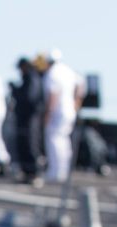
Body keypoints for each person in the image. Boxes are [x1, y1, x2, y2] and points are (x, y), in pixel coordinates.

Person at [42, 48, 84, 182]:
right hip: (69, 110)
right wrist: (76, 103)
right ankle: (64, 170)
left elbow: (53, 95)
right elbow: (81, 85)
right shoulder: (68, 71)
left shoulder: (52, 73)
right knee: (64, 140)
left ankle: (56, 172)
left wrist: (48, 113)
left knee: (54, 140)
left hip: (58, 111)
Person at [11, 57, 44, 184]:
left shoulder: (32, 78)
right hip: (25, 118)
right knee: (23, 145)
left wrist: (15, 90)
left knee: (30, 145)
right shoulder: (30, 78)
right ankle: (27, 172)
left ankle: (33, 172)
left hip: (30, 119)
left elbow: (29, 98)